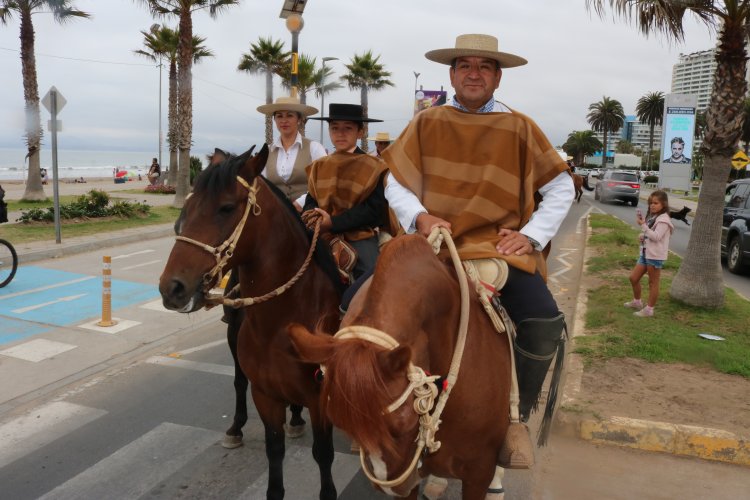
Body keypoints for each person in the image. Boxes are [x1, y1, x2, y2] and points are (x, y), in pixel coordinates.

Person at [382, 34, 575, 468]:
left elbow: (561, 185)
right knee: (354, 304)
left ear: (497, 77)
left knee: (544, 323)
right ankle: (374, 411)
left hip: (497, 249)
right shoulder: (426, 123)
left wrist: (532, 235)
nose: (473, 73)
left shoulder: (521, 126)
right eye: (464, 65)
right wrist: (420, 218)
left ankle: (515, 420)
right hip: (432, 246)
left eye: (484, 66)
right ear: (451, 74)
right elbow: (395, 179)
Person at [305, 103, 389, 283]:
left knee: (373, 277)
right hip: (321, 233)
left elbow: (374, 211)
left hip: (359, 235)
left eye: (347, 128)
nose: (340, 133)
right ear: (329, 131)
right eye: (335, 128)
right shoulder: (319, 166)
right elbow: (311, 200)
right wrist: (317, 219)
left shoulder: (375, 166)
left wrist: (333, 223)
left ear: (360, 132)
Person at [256, 96, 327, 210]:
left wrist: (300, 203)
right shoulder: (267, 152)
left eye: (289, 115)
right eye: (279, 116)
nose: (284, 121)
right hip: (274, 213)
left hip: (307, 214)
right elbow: (261, 185)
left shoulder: (314, 148)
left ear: (299, 119)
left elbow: (323, 183)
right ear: (274, 120)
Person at [624, 190, 674, 318]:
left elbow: (657, 237)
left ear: (664, 204)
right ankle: (637, 302)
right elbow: (650, 234)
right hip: (646, 253)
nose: (652, 205)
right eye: (651, 203)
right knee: (633, 278)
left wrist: (643, 226)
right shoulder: (654, 217)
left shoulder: (663, 220)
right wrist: (643, 235)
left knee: (653, 282)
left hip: (655, 256)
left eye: (656, 203)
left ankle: (649, 309)